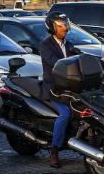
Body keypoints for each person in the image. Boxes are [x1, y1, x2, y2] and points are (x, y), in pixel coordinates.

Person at [39, 12, 78, 168]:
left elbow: (79, 56)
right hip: (53, 87)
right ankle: (54, 152)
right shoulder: (46, 45)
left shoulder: (69, 45)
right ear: (51, 27)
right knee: (65, 114)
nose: (65, 28)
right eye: (60, 25)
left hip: (69, 87)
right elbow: (56, 63)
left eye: (65, 24)